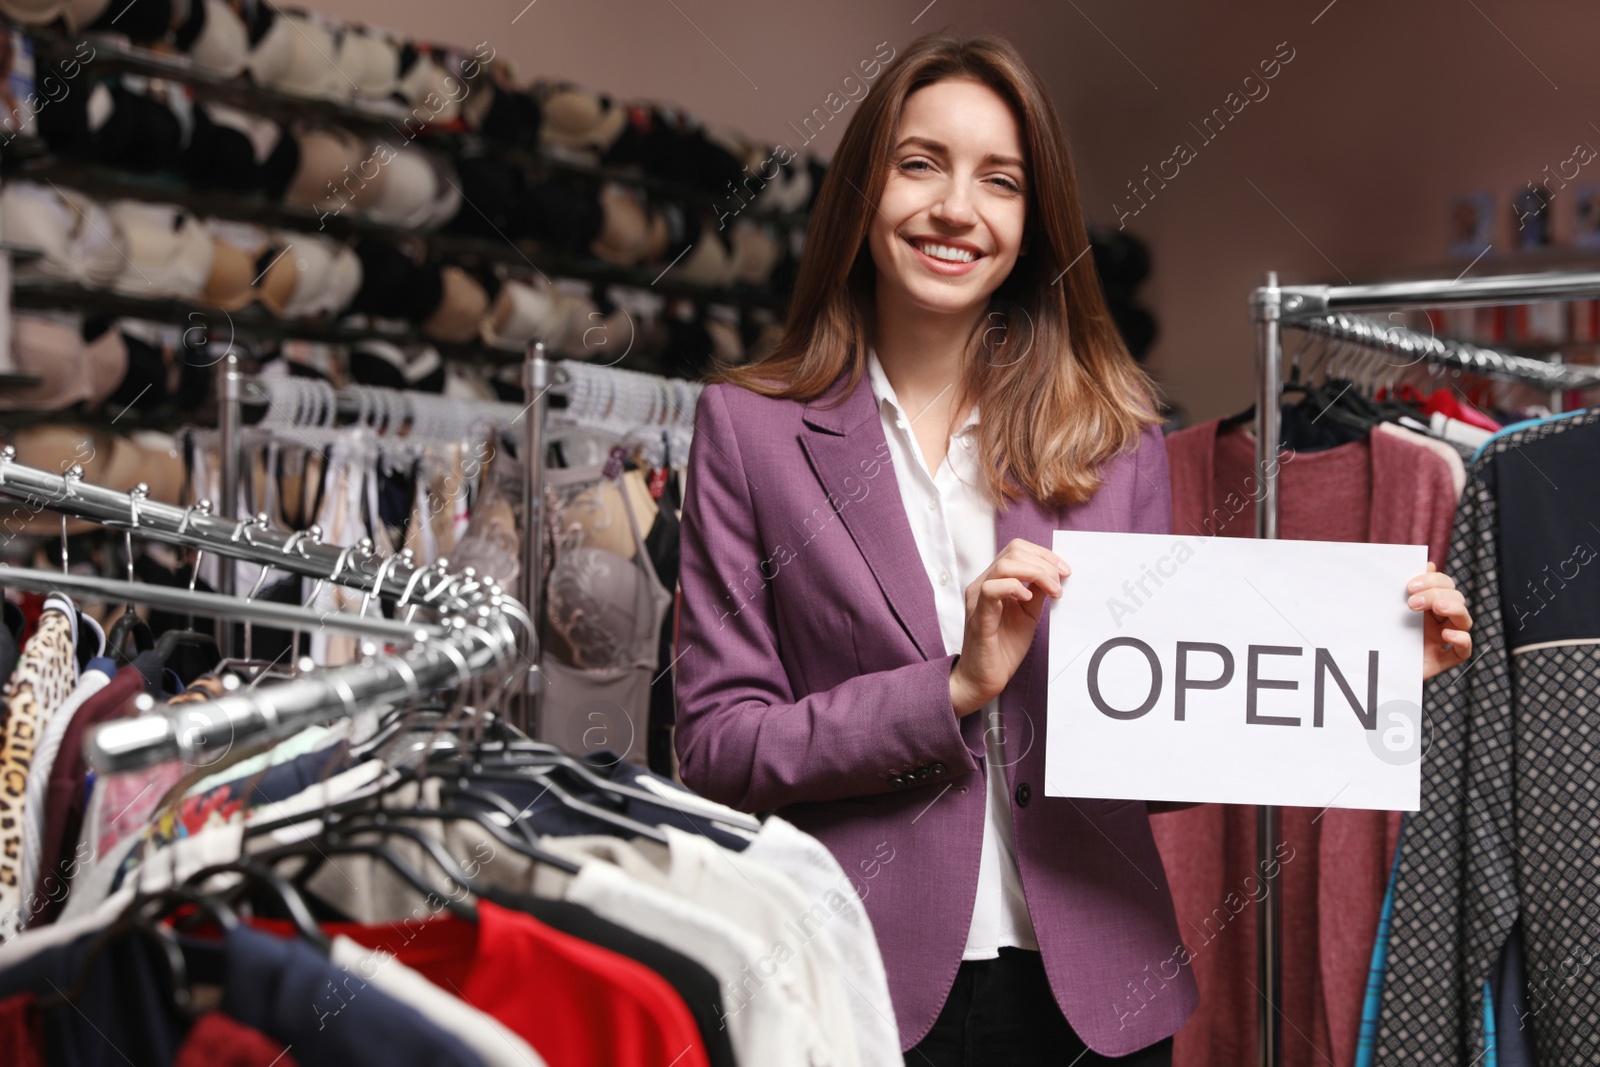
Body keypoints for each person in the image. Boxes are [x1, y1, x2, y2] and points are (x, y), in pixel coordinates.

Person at [672, 33, 1472, 1067]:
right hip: (853, 983)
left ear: (1031, 220)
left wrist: (1353, 676)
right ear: (861, 189)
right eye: (920, 164)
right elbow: (720, 749)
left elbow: (1154, 732)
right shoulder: (750, 431)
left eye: (999, 180)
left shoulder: (1111, 435)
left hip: (1097, 997)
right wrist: (952, 686)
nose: (956, 208)